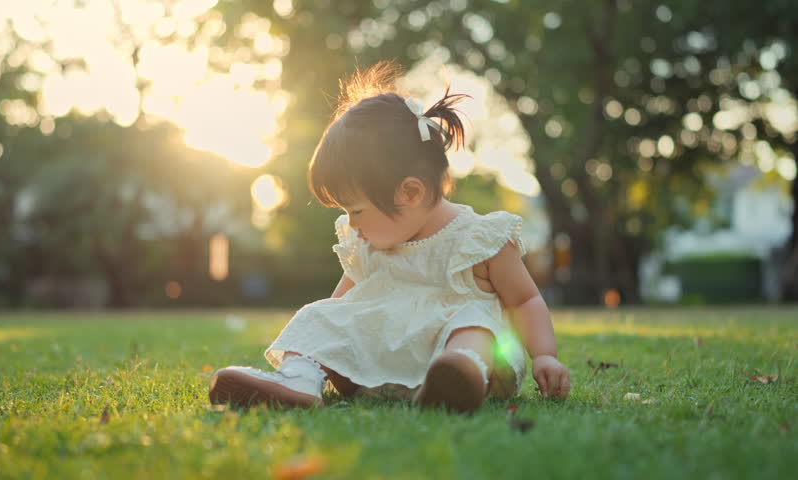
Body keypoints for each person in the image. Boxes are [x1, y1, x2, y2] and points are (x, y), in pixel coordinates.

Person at [209, 61, 570, 413]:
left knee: (474, 322)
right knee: (318, 315)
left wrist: (544, 355)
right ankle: (298, 380)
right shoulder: (366, 244)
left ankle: (459, 375)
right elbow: (339, 308)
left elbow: (524, 300)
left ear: (410, 193)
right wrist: (324, 333)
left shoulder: (479, 239)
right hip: (377, 365)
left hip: (461, 358)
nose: (352, 224)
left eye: (357, 211)